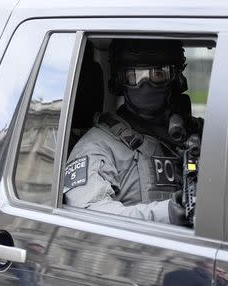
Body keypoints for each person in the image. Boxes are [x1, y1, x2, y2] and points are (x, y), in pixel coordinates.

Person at [63, 39, 202, 226]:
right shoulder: (98, 146)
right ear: (120, 81)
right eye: (134, 76)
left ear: (175, 78)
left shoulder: (203, 134)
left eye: (158, 74)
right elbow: (88, 216)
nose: (146, 83)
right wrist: (166, 213)